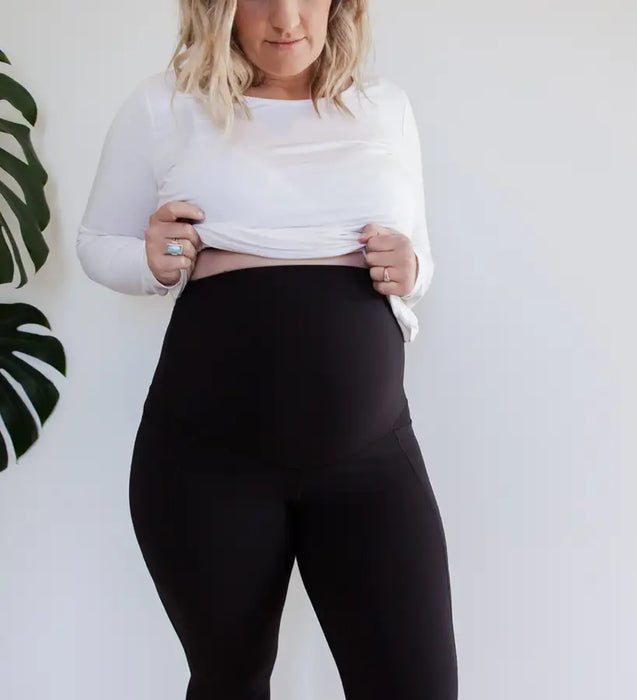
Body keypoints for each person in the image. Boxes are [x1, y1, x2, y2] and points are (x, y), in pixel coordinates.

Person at [76, 0, 458, 698]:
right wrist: (152, 262)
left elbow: (419, 257)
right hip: (206, 466)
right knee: (231, 683)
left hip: (370, 462)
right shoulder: (165, 104)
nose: (286, 19)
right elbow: (100, 243)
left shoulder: (383, 107)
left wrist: (412, 268)